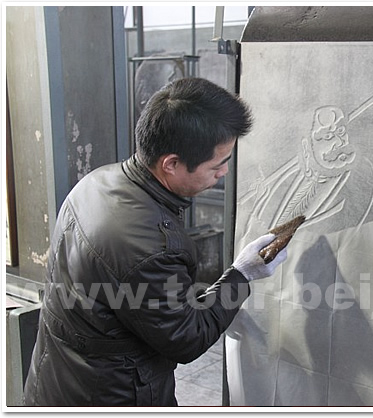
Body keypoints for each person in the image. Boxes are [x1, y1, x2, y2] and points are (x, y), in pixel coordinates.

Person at [23, 77, 287, 406]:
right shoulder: (151, 250)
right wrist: (241, 275)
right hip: (110, 396)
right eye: (217, 164)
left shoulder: (98, 180)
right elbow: (187, 339)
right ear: (171, 164)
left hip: (57, 378)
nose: (224, 173)